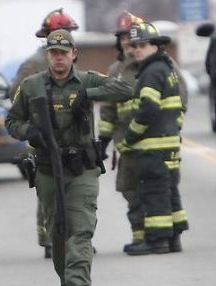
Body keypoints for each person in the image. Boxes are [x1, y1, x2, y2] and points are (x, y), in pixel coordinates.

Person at [5, 29, 132, 286]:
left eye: (64, 53)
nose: (59, 58)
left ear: (74, 54)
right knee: (59, 236)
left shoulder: (87, 80)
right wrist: (28, 131)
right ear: (47, 55)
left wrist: (90, 95)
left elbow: (125, 89)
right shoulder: (31, 85)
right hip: (48, 169)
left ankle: (77, 282)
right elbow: (12, 121)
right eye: (54, 53)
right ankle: (69, 279)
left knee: (81, 232)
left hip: (82, 169)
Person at [98, 12, 189, 253]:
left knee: (157, 190)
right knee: (134, 191)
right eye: (125, 38)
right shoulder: (116, 70)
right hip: (130, 146)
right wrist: (103, 141)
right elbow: (108, 109)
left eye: (136, 40)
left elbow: (176, 100)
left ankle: (159, 238)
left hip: (149, 141)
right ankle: (144, 237)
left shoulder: (157, 68)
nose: (130, 44)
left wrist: (169, 129)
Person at [8, 8, 79, 259]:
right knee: (49, 190)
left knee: (73, 190)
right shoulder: (33, 64)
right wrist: (33, 127)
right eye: (61, 32)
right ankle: (50, 239)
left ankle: (73, 239)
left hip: (71, 139)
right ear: (47, 35)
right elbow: (16, 96)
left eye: (68, 33)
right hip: (42, 139)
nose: (65, 36)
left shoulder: (71, 63)